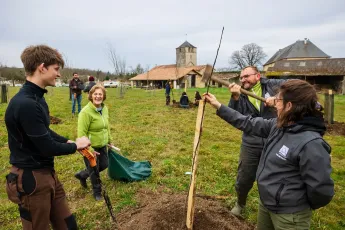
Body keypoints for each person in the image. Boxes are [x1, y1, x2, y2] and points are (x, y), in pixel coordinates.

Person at [204, 79, 334, 230]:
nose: (273, 103)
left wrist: (297, 205)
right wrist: (218, 105)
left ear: (289, 106)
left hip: (290, 216)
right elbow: (247, 122)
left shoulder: (311, 143)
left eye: (278, 100)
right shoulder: (278, 125)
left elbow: (321, 190)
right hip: (266, 203)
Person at [4, 45, 91, 230]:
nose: (58, 75)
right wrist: (76, 146)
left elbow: (44, 132)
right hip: (32, 180)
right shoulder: (25, 104)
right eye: (56, 69)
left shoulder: (37, 99)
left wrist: (70, 141)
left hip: (48, 174)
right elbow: (46, 147)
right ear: (42, 67)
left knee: (68, 225)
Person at [228, 66, 285, 216]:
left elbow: (298, 87)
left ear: (258, 76)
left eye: (246, 76)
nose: (243, 80)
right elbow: (234, 117)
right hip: (251, 141)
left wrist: (280, 97)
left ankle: (271, 207)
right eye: (241, 77)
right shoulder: (239, 92)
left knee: (273, 176)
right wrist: (235, 98)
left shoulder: (273, 85)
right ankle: (240, 203)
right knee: (244, 175)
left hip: (274, 139)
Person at [74, 84, 113, 201]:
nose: (98, 96)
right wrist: (89, 150)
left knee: (105, 164)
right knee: (94, 171)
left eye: (100, 94)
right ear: (91, 96)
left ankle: (82, 174)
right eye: (95, 94)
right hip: (90, 147)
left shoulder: (104, 109)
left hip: (102, 144)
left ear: (103, 96)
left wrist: (109, 140)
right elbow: (81, 135)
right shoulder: (85, 112)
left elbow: (107, 126)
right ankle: (97, 192)